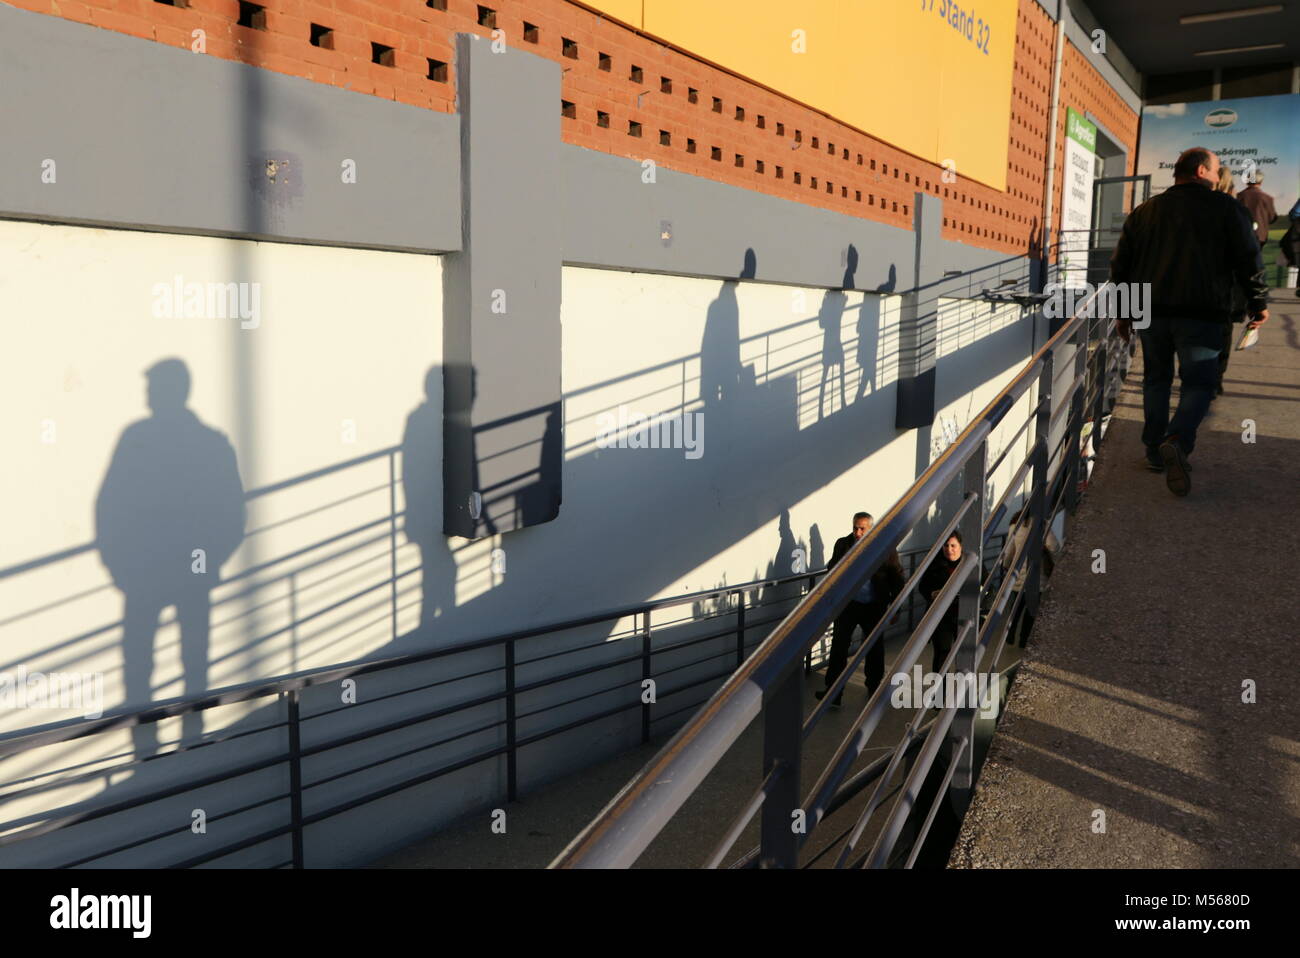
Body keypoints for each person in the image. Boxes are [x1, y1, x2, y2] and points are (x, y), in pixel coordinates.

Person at [1110, 147, 1268, 496]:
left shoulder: (1144, 212)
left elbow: (1121, 267)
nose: (1218, 176)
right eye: (1215, 171)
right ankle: (1178, 440)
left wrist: (1124, 312)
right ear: (1200, 171)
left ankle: (1154, 450)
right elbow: (1248, 257)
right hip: (1203, 313)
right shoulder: (1228, 209)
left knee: (1156, 381)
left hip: (1152, 313)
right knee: (1199, 385)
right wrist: (1258, 301)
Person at [816, 512, 905, 708]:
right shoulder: (843, 544)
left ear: (871, 529)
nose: (857, 532)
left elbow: (897, 577)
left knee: (874, 647)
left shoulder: (885, 547)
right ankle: (833, 692)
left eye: (862, 528)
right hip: (849, 604)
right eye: (855, 527)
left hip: (874, 604)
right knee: (839, 647)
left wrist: (896, 607)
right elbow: (832, 568)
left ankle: (874, 688)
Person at [1212, 167, 1247, 397]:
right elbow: (1248, 257)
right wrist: (1257, 301)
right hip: (1228, 287)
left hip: (1198, 287)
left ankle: (1197, 380)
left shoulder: (1198, 207)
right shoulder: (1235, 210)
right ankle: (1216, 379)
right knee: (1223, 334)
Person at [919, 530, 964, 673]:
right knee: (941, 655)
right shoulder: (935, 563)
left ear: (960, 546)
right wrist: (932, 593)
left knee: (964, 655)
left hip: (964, 615)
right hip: (941, 616)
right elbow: (923, 586)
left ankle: (962, 690)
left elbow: (986, 585)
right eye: (946, 546)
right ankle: (940, 692)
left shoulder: (970, 562)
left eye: (953, 546)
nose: (949, 550)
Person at [1237, 172, 1276, 248]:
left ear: (1247, 181)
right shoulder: (1267, 198)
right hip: (1261, 235)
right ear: (1261, 182)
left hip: (1242, 234)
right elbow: (1271, 218)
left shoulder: (1239, 196)